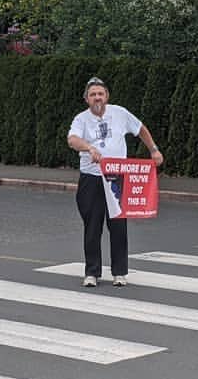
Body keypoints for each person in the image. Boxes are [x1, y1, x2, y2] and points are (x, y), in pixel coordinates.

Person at [67, 77, 164, 287]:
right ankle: (92, 272)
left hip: (117, 177)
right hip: (91, 178)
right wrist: (89, 148)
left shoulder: (120, 113)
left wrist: (154, 149)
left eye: (100, 94)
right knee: (92, 226)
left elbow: (140, 129)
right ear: (86, 99)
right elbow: (72, 139)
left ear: (107, 96)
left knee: (118, 226)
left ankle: (119, 272)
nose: (97, 98)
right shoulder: (81, 119)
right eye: (92, 95)